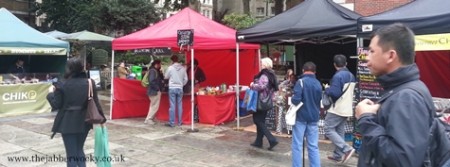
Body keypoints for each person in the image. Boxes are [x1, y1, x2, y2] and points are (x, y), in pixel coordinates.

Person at [355, 23, 436, 167]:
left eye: (372, 51)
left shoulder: (406, 98)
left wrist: (366, 120)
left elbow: (403, 162)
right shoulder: (402, 91)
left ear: (391, 55)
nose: (367, 60)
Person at [50, 57, 106, 167]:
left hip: (67, 122)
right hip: (85, 121)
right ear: (81, 68)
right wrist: (102, 119)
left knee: (71, 154)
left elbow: (56, 105)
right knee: (79, 150)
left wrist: (50, 94)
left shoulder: (62, 83)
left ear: (69, 69)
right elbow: (96, 102)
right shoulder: (90, 82)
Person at [324, 54, 356, 163]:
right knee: (339, 131)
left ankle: (347, 149)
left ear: (334, 65)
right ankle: (338, 155)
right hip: (347, 108)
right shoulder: (351, 75)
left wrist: (327, 89)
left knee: (328, 129)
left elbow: (335, 93)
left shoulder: (338, 76)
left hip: (337, 108)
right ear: (346, 63)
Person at [290, 62, 322, 167]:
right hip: (314, 117)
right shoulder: (318, 83)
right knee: (313, 146)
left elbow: (296, 100)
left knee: (297, 145)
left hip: (301, 117)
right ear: (315, 71)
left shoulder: (301, 82)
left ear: (303, 70)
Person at [249, 57, 279, 151]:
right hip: (267, 100)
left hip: (261, 101)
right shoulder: (272, 74)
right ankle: (258, 141)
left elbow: (262, 86)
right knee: (261, 120)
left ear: (265, 65)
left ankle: (271, 139)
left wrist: (252, 85)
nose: (260, 65)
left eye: (261, 63)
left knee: (258, 120)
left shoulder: (264, 75)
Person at [164, 55, 188, 127]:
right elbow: (186, 79)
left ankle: (172, 122)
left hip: (172, 87)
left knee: (172, 105)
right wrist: (181, 84)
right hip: (180, 88)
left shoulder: (170, 68)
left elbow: (166, 77)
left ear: (172, 61)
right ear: (178, 60)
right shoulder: (183, 68)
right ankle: (180, 122)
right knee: (180, 105)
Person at [144, 60, 164, 125]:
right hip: (154, 91)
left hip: (153, 91)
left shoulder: (154, 71)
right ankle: (149, 119)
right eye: (160, 64)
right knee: (154, 106)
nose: (161, 65)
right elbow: (152, 81)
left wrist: (161, 73)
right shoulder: (153, 71)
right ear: (157, 64)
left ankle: (150, 118)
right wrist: (157, 88)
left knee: (153, 105)